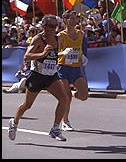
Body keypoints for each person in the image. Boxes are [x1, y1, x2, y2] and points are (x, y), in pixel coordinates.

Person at [8, 14, 68, 142]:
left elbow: (56, 54)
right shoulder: (38, 39)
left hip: (51, 76)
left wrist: (64, 54)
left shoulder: (59, 39)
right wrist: (43, 53)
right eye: (51, 26)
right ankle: (14, 122)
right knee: (27, 105)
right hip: (37, 76)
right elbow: (27, 56)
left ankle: (55, 129)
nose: (54, 29)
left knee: (64, 99)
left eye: (55, 26)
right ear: (44, 26)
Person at [57, 10, 88, 131]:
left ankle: (73, 93)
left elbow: (79, 49)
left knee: (84, 96)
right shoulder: (61, 36)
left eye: (76, 18)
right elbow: (52, 53)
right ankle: (65, 121)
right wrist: (62, 53)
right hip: (63, 68)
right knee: (66, 98)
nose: (76, 20)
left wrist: (83, 56)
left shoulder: (80, 34)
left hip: (75, 68)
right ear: (65, 20)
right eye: (72, 18)